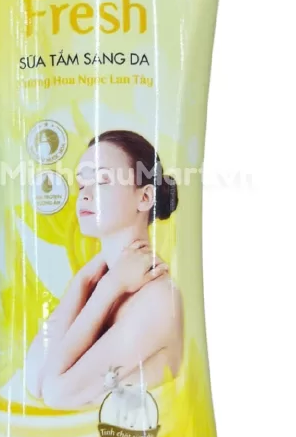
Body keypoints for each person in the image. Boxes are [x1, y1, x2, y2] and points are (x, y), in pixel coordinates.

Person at [26, 130, 183, 409]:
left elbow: (55, 394)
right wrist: (83, 282)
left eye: (102, 181)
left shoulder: (158, 298)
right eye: (81, 184)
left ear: (145, 197)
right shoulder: (97, 281)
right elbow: (34, 379)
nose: (84, 195)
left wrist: (109, 288)